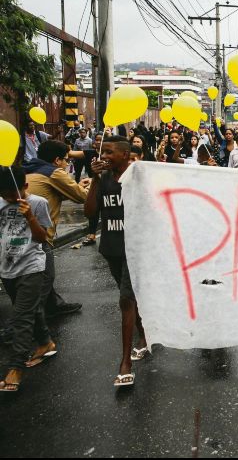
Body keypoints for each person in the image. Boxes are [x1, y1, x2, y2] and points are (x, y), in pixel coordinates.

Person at [85, 136, 147, 387]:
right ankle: (144, 336)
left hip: (134, 250)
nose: (104, 156)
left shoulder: (140, 179)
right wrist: (95, 181)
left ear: (124, 154)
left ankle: (125, 363)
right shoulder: (104, 179)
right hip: (111, 249)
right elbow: (90, 213)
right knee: (130, 299)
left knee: (125, 300)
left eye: (109, 152)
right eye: (103, 152)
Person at [0, 166, 56, 393]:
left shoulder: (38, 202)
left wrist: (30, 216)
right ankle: (45, 342)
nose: (12, 199)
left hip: (32, 266)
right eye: (6, 194)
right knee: (28, 309)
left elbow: (43, 237)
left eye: (16, 193)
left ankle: (15, 369)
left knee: (21, 317)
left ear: (25, 186)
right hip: (7, 267)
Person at [23, 140, 88, 318]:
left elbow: (48, 193)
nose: (68, 164)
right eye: (66, 160)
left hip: (19, 232)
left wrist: (74, 187)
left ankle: (54, 305)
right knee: (46, 276)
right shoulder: (54, 172)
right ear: (57, 160)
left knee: (40, 274)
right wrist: (92, 184)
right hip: (39, 234)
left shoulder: (28, 169)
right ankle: (22, 323)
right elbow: (81, 197)